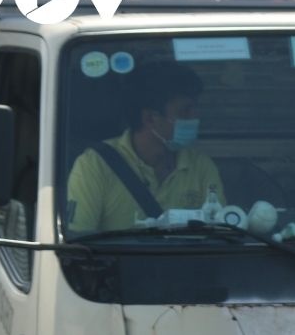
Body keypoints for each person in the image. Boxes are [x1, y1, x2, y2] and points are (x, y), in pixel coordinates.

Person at [66, 61, 224, 233]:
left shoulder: (200, 166)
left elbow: (220, 229)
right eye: (185, 111)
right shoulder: (94, 166)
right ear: (150, 118)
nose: (195, 118)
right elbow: (78, 242)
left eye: (195, 109)